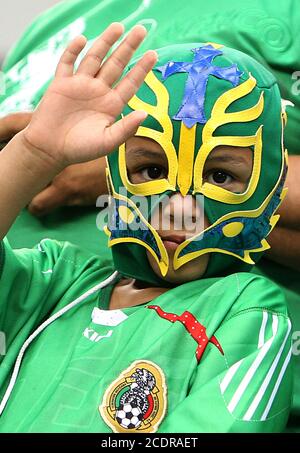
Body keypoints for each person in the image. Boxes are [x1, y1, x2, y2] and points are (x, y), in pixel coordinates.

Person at [0, 23, 292, 433]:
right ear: (113, 172)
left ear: (270, 185)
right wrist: (36, 152)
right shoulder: (56, 282)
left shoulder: (246, 312)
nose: (178, 210)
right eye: (152, 170)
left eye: (221, 177)